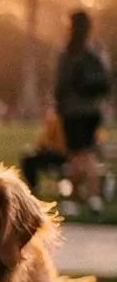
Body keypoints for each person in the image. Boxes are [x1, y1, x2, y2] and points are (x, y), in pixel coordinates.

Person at [54, 11, 111, 214]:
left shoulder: (67, 53)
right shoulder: (95, 50)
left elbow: (60, 85)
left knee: (76, 156)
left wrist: (58, 105)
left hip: (72, 111)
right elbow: (106, 80)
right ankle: (94, 197)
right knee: (88, 154)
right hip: (92, 111)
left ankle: (75, 198)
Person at [19, 109, 66, 195]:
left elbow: (46, 142)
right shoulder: (61, 117)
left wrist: (39, 148)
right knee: (29, 157)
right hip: (62, 153)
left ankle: (33, 189)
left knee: (28, 160)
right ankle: (33, 188)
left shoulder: (55, 118)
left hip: (59, 155)